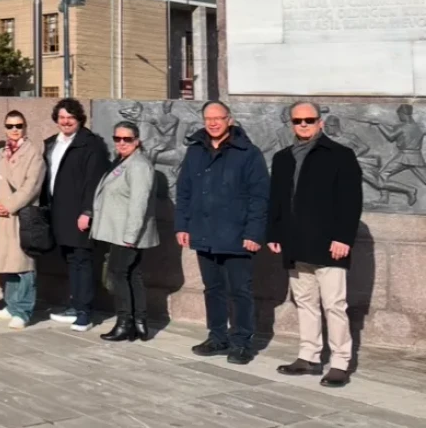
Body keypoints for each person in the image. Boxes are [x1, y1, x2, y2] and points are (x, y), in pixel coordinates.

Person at [268, 101, 362, 388]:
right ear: (292, 124)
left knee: (334, 304)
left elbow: (351, 200)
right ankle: (308, 356)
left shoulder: (340, 155)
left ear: (320, 122)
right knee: (305, 302)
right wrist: (273, 232)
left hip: (329, 243)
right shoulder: (283, 157)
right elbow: (277, 199)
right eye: (298, 121)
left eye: (310, 120)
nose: (304, 125)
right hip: (295, 243)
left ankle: (339, 362)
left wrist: (343, 237)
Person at [175, 100, 270, 365]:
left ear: (230, 119)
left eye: (219, 118)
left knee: (240, 291)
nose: (213, 123)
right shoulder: (195, 151)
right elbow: (184, 191)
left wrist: (253, 233)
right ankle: (217, 337)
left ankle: (241, 343)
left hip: (237, 235)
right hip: (203, 233)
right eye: (208, 119)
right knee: (212, 289)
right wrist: (182, 225)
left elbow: (259, 197)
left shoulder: (249, 153)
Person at [44, 98, 109, 332]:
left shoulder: (91, 145)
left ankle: (85, 312)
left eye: (70, 117)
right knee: (70, 259)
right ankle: (75, 304)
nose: (66, 121)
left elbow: (94, 181)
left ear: (79, 119)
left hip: (79, 214)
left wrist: (87, 212)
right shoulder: (52, 143)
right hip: (58, 212)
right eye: (62, 117)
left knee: (83, 261)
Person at [91, 121, 160, 342]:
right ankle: (139, 323)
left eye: (127, 139)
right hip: (121, 231)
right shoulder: (123, 162)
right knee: (132, 275)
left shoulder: (138, 165)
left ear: (137, 141)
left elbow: (138, 204)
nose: (121, 143)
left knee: (117, 275)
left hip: (127, 233)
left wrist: (130, 236)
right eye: (117, 138)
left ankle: (124, 323)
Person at [0, 110, 45, 331]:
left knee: (24, 265)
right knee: (8, 264)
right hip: (2, 215)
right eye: (10, 126)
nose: (15, 130)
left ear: (25, 127)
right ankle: (12, 305)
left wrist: (10, 205)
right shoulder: (1, 152)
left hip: (21, 215)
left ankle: (24, 309)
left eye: (19, 126)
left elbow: (31, 186)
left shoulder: (33, 153)